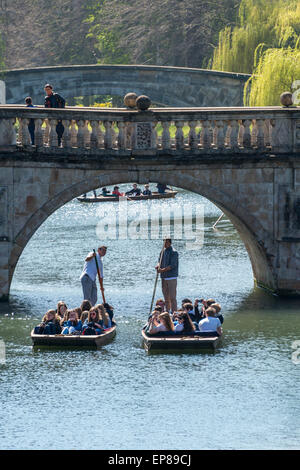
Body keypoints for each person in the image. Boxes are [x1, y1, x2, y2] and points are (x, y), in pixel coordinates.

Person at [156, 239, 179, 313]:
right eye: (163, 242)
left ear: (169, 242)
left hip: (171, 277)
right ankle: (167, 312)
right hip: (163, 277)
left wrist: (161, 270)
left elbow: (172, 266)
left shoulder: (174, 252)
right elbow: (159, 261)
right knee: (166, 297)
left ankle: (174, 313)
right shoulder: (162, 252)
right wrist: (158, 266)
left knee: (172, 297)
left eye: (165, 242)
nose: (164, 244)